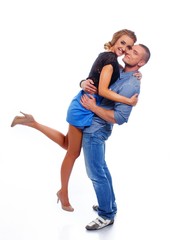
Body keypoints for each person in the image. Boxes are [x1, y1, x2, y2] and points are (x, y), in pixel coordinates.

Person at [11, 29, 138, 212]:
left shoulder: (109, 58)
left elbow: (100, 79)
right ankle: (63, 192)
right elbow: (102, 90)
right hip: (84, 107)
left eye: (129, 46)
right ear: (115, 40)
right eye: (122, 42)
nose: (124, 48)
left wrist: (135, 75)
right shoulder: (110, 60)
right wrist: (128, 101)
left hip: (83, 104)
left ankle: (33, 123)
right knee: (72, 152)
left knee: (67, 143)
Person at [79, 44, 151, 230]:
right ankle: (110, 206)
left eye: (135, 52)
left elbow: (120, 118)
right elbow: (95, 77)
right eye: (129, 48)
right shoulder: (119, 70)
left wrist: (93, 108)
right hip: (94, 127)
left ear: (141, 62)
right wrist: (82, 83)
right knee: (101, 168)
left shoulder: (131, 84)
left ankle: (106, 216)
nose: (128, 52)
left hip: (96, 130)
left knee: (95, 173)